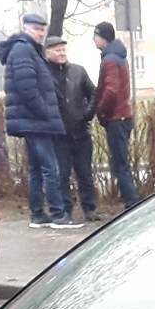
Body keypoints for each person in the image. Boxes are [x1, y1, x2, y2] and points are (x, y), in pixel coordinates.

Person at [0, 11, 74, 229]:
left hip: (31, 120)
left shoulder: (27, 49)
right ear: (25, 28)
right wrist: (44, 112)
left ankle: (38, 214)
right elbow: (27, 87)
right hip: (36, 120)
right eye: (36, 29)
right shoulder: (24, 50)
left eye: (42, 30)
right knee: (50, 168)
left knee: (37, 170)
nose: (40, 33)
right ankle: (58, 214)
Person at [45, 34, 101, 222]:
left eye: (63, 49)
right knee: (62, 174)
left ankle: (90, 208)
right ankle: (65, 211)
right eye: (57, 50)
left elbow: (94, 93)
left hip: (81, 131)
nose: (62, 53)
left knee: (85, 173)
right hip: (58, 134)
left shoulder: (78, 71)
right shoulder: (44, 74)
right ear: (48, 53)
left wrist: (87, 114)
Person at [91, 21, 139, 211]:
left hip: (116, 118)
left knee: (120, 164)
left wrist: (100, 111)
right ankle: (131, 201)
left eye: (96, 36)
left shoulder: (110, 60)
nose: (94, 40)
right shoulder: (119, 57)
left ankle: (132, 204)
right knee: (121, 162)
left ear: (103, 38)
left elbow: (110, 91)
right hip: (124, 115)